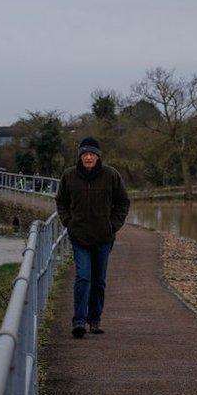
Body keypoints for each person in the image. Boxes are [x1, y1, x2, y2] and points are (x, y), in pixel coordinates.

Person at [55, 137, 130, 338]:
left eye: (92, 154)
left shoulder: (111, 175)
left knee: (99, 281)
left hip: (104, 238)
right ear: (80, 156)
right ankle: (79, 321)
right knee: (83, 277)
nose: (88, 157)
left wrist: (113, 225)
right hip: (79, 237)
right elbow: (61, 201)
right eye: (85, 154)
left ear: (98, 156)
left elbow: (123, 202)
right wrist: (68, 222)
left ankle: (94, 320)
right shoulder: (69, 176)